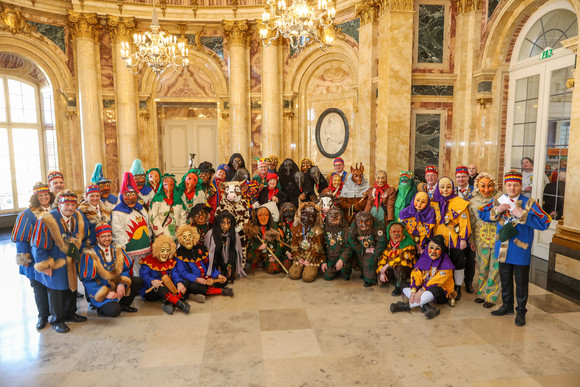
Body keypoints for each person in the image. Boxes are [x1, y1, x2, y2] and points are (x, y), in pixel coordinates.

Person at [479, 171, 551, 326]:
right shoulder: (498, 200)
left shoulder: (529, 203)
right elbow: (481, 213)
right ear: (505, 186)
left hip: (520, 250)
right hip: (502, 248)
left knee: (521, 283)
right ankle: (507, 306)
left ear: (520, 186)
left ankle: (521, 312)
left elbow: (546, 222)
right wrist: (496, 211)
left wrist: (523, 214)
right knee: (505, 281)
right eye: (509, 185)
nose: (512, 188)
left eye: (515, 185)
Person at [31, 190, 90, 333]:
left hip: (71, 260)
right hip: (55, 259)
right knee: (56, 290)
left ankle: (70, 313)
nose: (70, 207)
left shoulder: (77, 217)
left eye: (73, 204)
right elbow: (37, 245)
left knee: (71, 287)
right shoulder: (47, 219)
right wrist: (45, 264)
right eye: (67, 204)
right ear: (59, 204)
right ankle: (57, 320)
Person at [11, 182, 54, 330]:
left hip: (54, 256)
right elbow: (21, 238)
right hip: (35, 257)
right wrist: (24, 259)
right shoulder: (27, 214)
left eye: (46, 194)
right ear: (35, 197)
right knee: (38, 287)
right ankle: (42, 316)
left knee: (53, 287)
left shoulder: (57, 210)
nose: (44, 197)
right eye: (40, 195)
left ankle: (57, 314)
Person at [78, 224, 143, 317]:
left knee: (138, 281)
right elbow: (87, 280)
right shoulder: (90, 254)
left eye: (109, 235)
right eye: (103, 236)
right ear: (97, 238)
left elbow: (125, 269)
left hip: (116, 283)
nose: (107, 238)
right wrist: (106, 293)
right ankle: (101, 308)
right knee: (114, 312)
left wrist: (121, 283)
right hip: (101, 287)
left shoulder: (117, 249)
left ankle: (123, 304)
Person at [390, 235, 455, 320]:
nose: (433, 251)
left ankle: (405, 306)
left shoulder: (446, 263)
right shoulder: (425, 258)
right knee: (403, 284)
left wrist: (421, 290)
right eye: (431, 247)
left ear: (442, 250)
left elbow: (436, 281)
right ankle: (428, 307)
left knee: (435, 289)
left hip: (440, 292)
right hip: (424, 289)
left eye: (437, 249)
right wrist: (413, 290)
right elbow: (416, 274)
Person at [431, 177, 471, 302]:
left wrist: (463, 239)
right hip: (439, 239)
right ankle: (443, 285)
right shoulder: (433, 202)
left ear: (452, 188)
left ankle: (458, 287)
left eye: (448, 187)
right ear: (438, 188)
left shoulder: (459, 201)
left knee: (458, 263)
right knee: (441, 263)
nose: (445, 190)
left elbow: (464, 221)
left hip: (455, 238)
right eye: (442, 187)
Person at [173, 224, 233, 302]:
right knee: (193, 286)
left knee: (223, 280)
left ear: (194, 237)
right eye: (185, 238)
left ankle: (195, 295)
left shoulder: (201, 249)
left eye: (190, 237)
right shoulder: (179, 254)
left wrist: (218, 275)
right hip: (194, 280)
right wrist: (196, 279)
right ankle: (221, 291)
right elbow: (182, 273)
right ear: (181, 240)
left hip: (207, 278)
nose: (187, 239)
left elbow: (209, 265)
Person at [468, 172, 501, 308]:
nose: (486, 190)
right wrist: (471, 240)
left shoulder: (500, 199)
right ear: (477, 186)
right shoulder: (473, 201)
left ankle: (491, 296)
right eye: (483, 186)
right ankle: (481, 293)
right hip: (479, 238)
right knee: (482, 268)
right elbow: (471, 221)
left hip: (496, 239)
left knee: (495, 268)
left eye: (489, 186)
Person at [111, 172, 152, 276]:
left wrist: (149, 239)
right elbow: (118, 232)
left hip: (144, 248)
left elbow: (147, 225)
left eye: (134, 194)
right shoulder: (118, 212)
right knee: (132, 273)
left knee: (145, 271)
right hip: (129, 251)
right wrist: (123, 248)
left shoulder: (141, 208)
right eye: (128, 195)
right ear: (122, 196)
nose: (131, 198)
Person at [140, 235, 191, 315]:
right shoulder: (148, 261)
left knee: (185, 280)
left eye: (168, 250)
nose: (165, 253)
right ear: (157, 250)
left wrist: (179, 283)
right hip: (152, 291)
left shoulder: (170, 260)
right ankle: (178, 303)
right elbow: (144, 275)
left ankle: (170, 303)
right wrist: (152, 281)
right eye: (162, 250)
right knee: (161, 286)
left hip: (168, 288)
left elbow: (175, 273)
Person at [340, 211, 387, 287]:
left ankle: (370, 280)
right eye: (361, 222)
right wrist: (360, 249)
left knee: (369, 263)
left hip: (372, 249)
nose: (364, 225)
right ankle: (365, 274)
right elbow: (351, 239)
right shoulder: (354, 225)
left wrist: (376, 251)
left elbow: (382, 241)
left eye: (367, 222)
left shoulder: (377, 226)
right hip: (361, 248)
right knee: (361, 262)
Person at [244, 206, 289, 274]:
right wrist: (259, 247)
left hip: (270, 252)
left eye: (266, 215)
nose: (263, 218)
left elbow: (280, 244)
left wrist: (275, 256)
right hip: (258, 252)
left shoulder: (274, 227)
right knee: (251, 257)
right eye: (260, 215)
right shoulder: (253, 228)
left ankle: (266, 264)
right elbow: (250, 243)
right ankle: (258, 263)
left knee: (273, 269)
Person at [377, 221, 417, 296]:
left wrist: (387, 265)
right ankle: (396, 280)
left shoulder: (408, 244)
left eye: (398, 231)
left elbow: (402, 259)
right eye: (394, 232)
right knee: (380, 280)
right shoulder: (390, 244)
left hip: (406, 268)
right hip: (392, 267)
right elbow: (383, 257)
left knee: (398, 268)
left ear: (403, 233)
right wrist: (381, 271)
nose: (396, 234)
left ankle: (399, 286)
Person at [288, 202, 325, 282]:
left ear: (316, 217)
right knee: (293, 275)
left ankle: (313, 268)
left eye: (311, 216)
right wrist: (298, 257)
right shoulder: (297, 228)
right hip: (300, 255)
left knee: (307, 278)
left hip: (312, 258)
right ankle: (302, 266)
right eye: (304, 215)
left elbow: (317, 248)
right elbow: (294, 244)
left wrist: (308, 260)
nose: (307, 219)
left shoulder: (317, 230)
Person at [205, 210, 246, 282]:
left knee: (229, 276)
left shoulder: (235, 235)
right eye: (223, 222)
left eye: (228, 223)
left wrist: (230, 265)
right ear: (218, 223)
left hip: (229, 262)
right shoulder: (210, 234)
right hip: (216, 263)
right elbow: (208, 254)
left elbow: (236, 252)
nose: (226, 225)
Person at [455, 166, 476, 294]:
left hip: (471, 229)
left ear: (468, 177)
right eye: (458, 177)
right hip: (456, 231)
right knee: (457, 258)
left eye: (463, 176)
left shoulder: (475, 191)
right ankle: (456, 283)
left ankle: (468, 283)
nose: (461, 179)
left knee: (470, 258)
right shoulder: (451, 191)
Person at [150, 174, 186, 241]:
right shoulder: (157, 200)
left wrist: (181, 232)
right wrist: (159, 234)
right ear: (162, 186)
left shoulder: (178, 200)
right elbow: (153, 217)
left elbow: (183, 216)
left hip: (176, 236)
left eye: (171, 185)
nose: (168, 187)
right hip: (162, 236)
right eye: (165, 185)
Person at [321, 207, 351, 281]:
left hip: (341, 258)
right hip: (330, 259)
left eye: (337, 216)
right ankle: (335, 269)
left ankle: (344, 268)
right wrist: (323, 261)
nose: (334, 219)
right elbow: (321, 246)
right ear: (328, 217)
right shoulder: (324, 229)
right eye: (331, 217)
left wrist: (342, 259)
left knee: (346, 274)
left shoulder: (346, 229)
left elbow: (349, 246)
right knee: (327, 277)